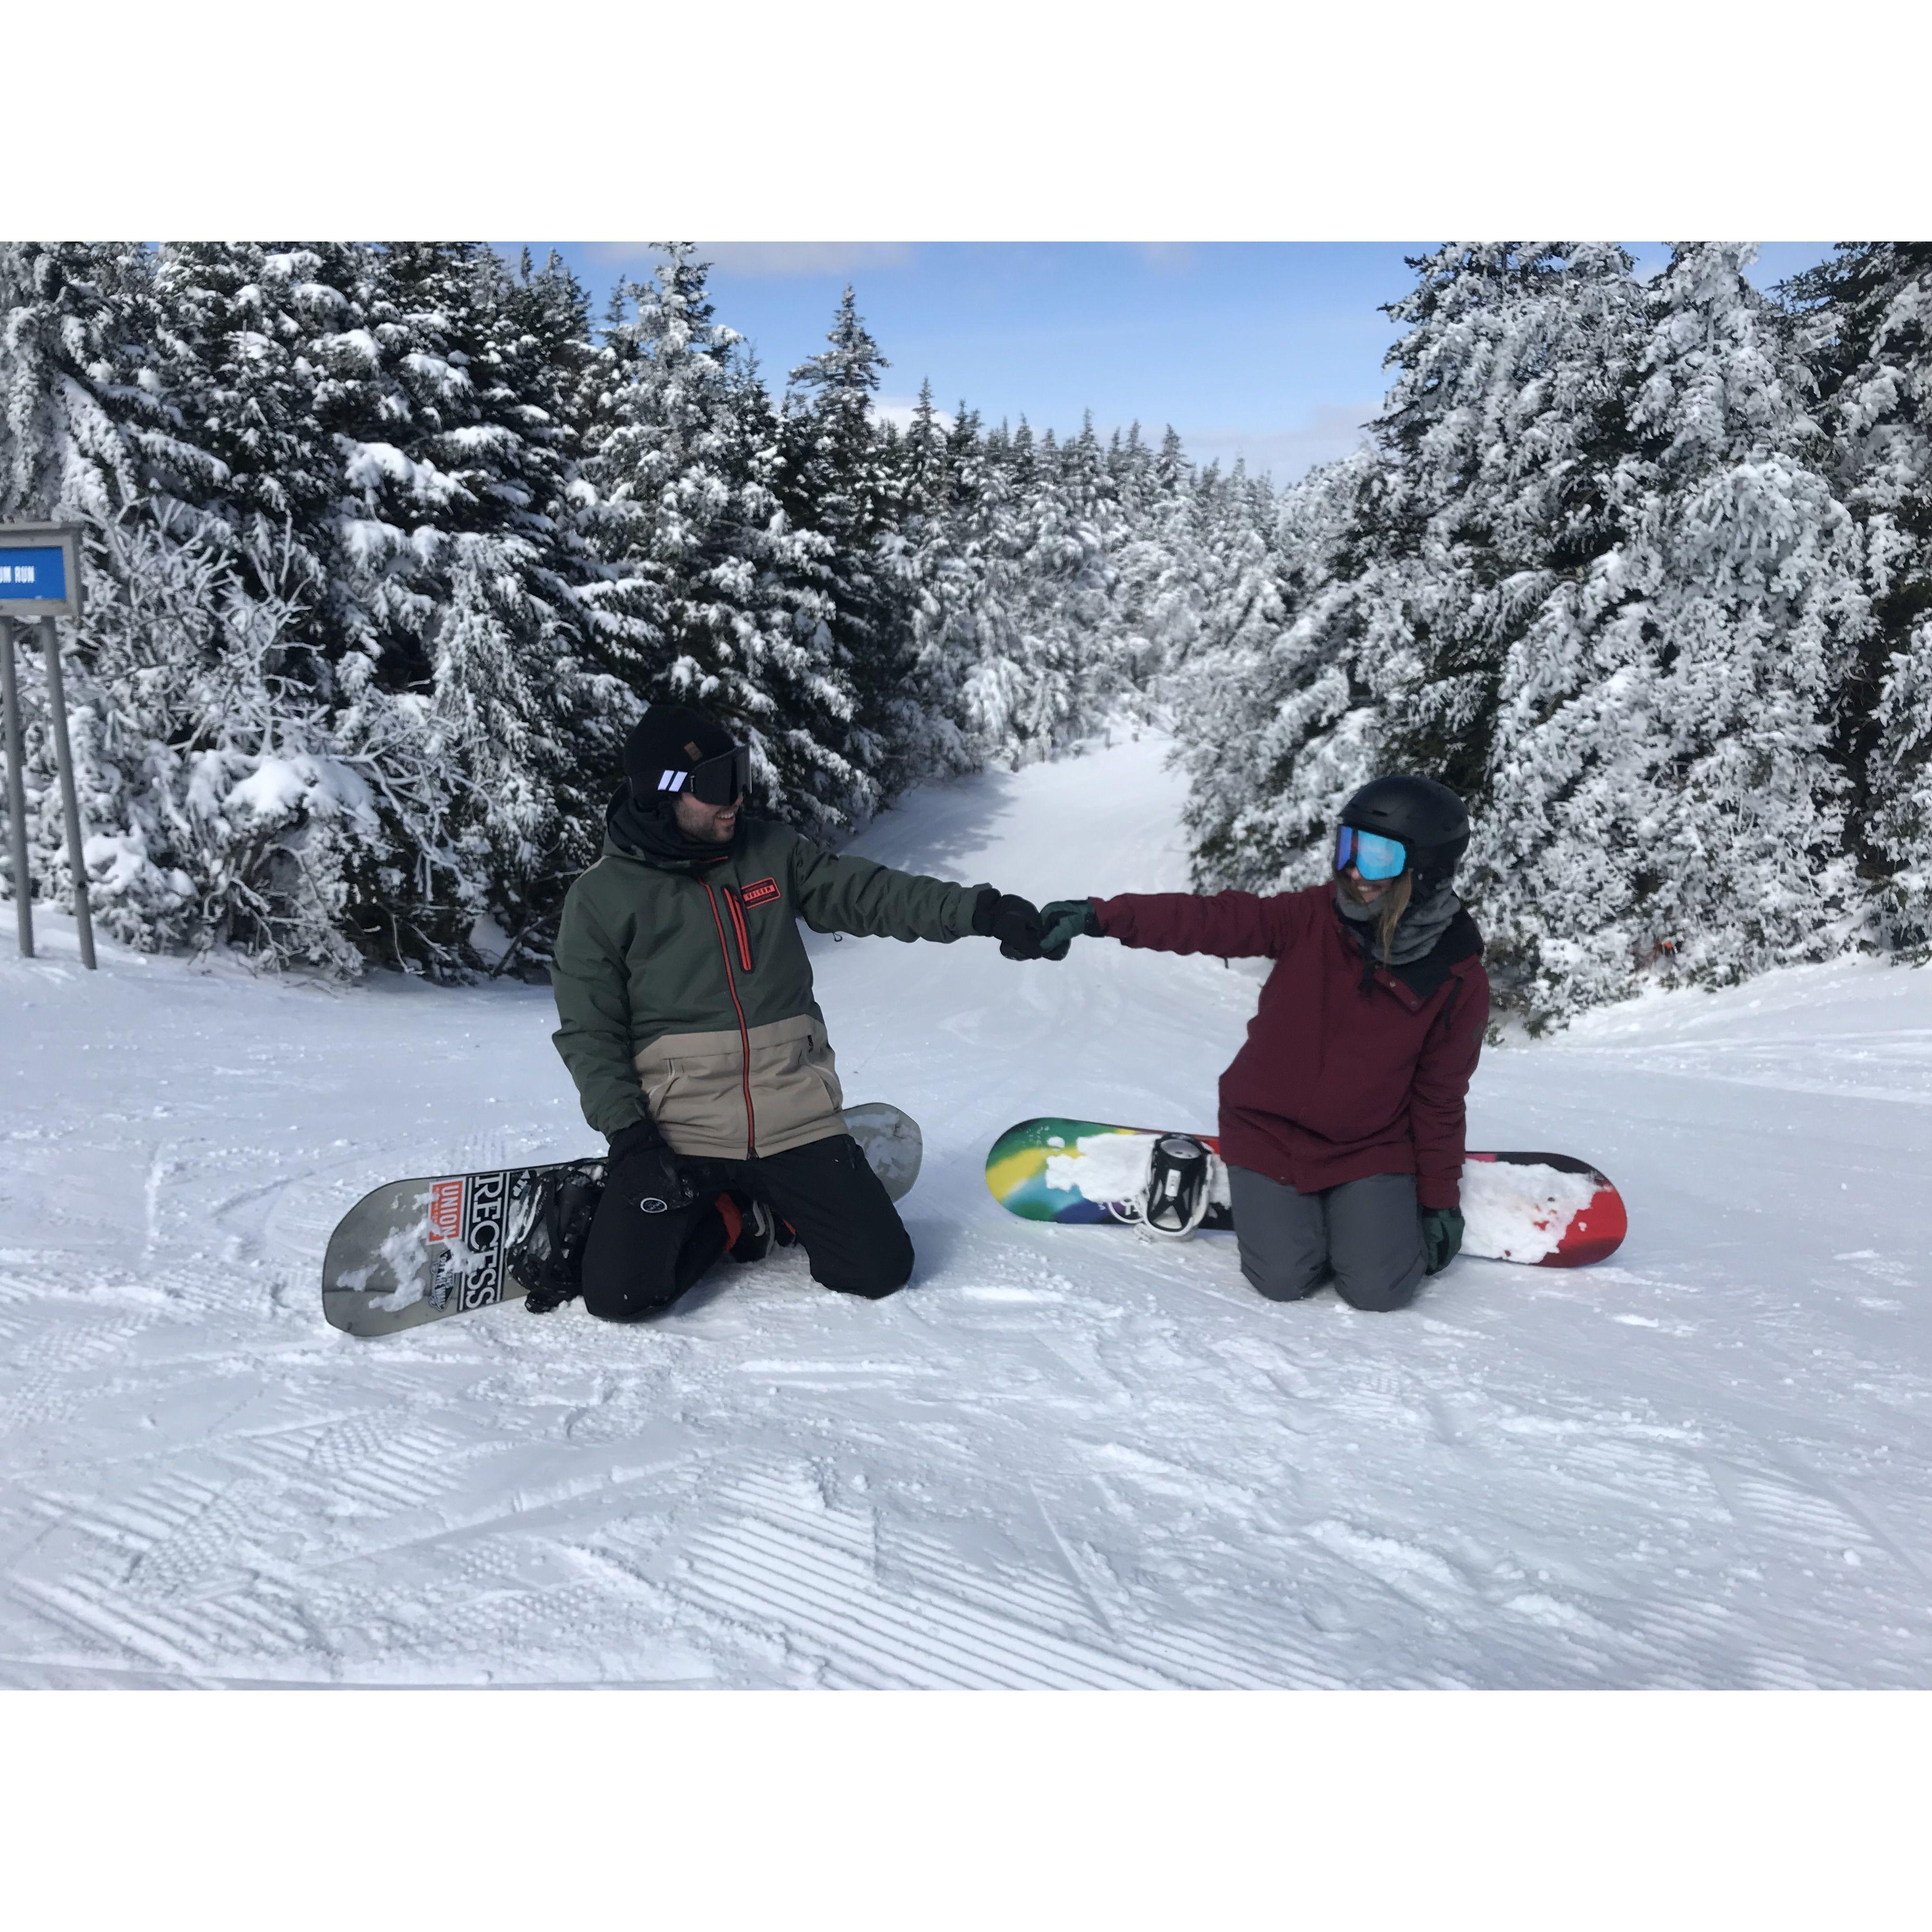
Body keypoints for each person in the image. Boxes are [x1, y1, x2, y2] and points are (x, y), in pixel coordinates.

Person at [546, 704, 1046, 1321]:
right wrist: (630, 1134)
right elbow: (589, 1029)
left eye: (740, 776)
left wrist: (982, 912)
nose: (735, 800)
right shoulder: (601, 898)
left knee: (877, 1272)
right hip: (680, 1129)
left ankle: (766, 1204)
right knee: (619, 1298)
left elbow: (871, 895)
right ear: (662, 794)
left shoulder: (771, 854)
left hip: (794, 1114)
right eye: (715, 787)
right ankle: (730, 1215)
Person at [1035, 776, 1489, 1311]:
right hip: (1267, 1128)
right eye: (1348, 846)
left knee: (1378, 1291)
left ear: (1426, 870)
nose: (1353, 870)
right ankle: (1221, 1183)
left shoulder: (1457, 978)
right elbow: (1208, 920)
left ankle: (1341, 1214)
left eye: (1377, 856)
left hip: (1371, 1144)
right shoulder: (1308, 918)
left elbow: (1439, 1096)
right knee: (1284, 1280)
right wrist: (1101, 917)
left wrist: (1438, 1199)